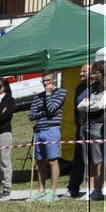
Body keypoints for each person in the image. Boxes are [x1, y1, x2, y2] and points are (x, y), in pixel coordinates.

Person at [29, 73, 66, 201]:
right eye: (43, 81)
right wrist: (44, 111)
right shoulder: (37, 96)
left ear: (54, 79)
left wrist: (48, 94)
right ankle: (41, 190)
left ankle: (53, 191)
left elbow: (52, 108)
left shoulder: (61, 92)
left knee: (52, 160)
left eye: (48, 80)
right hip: (39, 130)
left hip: (52, 129)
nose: (46, 83)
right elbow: (31, 115)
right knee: (40, 161)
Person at [75, 62, 106, 201]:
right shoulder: (92, 87)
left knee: (98, 159)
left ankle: (98, 189)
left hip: (99, 125)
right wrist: (90, 105)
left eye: (96, 72)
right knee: (88, 159)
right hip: (87, 124)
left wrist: (89, 105)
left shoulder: (105, 88)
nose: (93, 75)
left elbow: (101, 105)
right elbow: (80, 105)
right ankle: (90, 189)